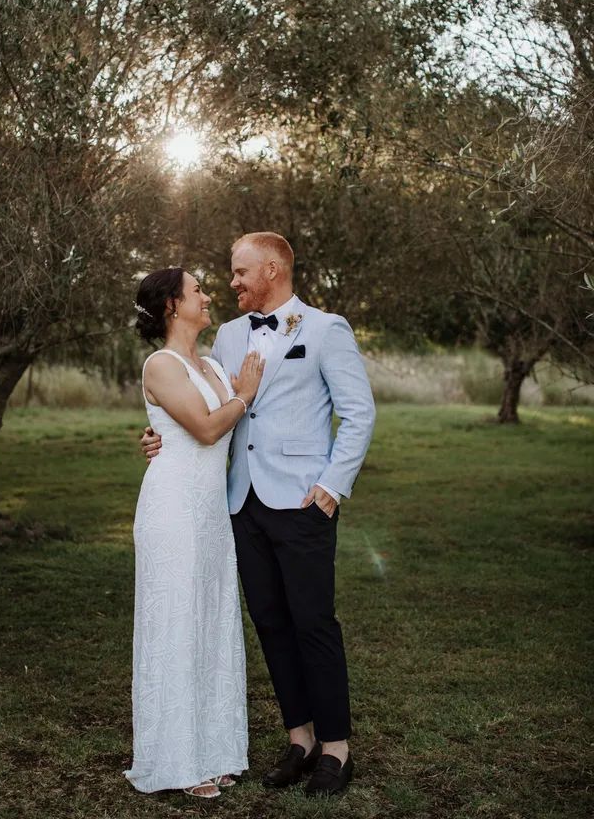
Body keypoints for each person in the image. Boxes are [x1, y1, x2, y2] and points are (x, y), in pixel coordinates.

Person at [142, 232, 376, 797]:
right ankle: (300, 740)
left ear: (271, 269)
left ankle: (336, 750)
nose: (232, 283)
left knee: (314, 623)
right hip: (240, 504)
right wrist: (159, 434)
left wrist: (331, 486)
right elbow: (208, 403)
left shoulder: (326, 329)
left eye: (240, 272)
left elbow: (359, 412)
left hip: (302, 502)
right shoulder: (226, 335)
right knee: (269, 622)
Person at [124, 266, 265, 799]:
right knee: (177, 625)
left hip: (209, 513)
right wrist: (244, 395)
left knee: (210, 621)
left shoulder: (209, 364)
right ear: (171, 307)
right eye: (198, 290)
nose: (208, 297)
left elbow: (219, 428)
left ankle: (215, 749)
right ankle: (177, 760)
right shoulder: (159, 365)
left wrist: (238, 396)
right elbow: (206, 429)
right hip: (172, 511)